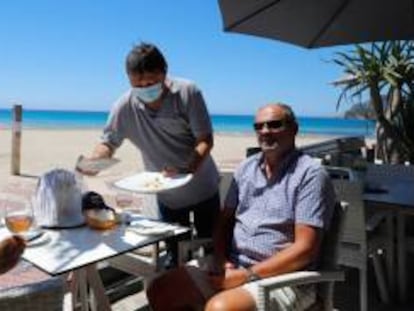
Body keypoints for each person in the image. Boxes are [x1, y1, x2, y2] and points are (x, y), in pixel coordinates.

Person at [146, 103, 336, 311]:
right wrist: (221, 259)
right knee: (160, 288)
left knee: (220, 308)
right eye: (259, 126)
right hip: (235, 265)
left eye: (274, 125)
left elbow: (305, 249)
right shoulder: (247, 168)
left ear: (294, 129)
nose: (265, 131)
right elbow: (224, 221)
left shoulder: (309, 174)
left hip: (286, 277)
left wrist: (247, 275)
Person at [82, 42, 220, 268]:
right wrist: (95, 161)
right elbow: (108, 142)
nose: (146, 89)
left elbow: (205, 139)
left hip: (203, 187)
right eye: (138, 84)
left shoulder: (188, 91)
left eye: (152, 83)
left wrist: (188, 167)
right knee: (176, 256)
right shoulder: (124, 106)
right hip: (166, 195)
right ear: (129, 80)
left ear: (164, 73)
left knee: (212, 251)